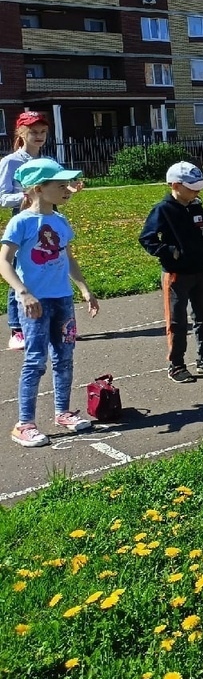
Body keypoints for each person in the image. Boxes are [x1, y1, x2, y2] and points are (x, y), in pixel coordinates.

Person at [1, 159, 98, 447]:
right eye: (60, 185)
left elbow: (67, 258)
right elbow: (4, 263)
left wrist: (84, 289)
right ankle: (24, 424)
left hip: (62, 300)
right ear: (38, 189)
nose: (67, 189)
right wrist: (23, 292)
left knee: (64, 358)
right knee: (35, 360)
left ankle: (62, 412)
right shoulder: (21, 222)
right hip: (35, 303)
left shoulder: (60, 221)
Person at [138, 161, 203, 381]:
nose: (197, 190)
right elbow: (147, 238)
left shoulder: (196, 206)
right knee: (177, 321)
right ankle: (176, 364)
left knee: (202, 318)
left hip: (201, 271)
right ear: (175, 185)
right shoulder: (163, 209)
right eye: (192, 187)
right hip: (177, 274)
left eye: (198, 187)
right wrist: (170, 251)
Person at [0, 111, 50, 350]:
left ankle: (48, 319)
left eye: (42, 132)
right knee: (20, 270)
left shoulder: (47, 161)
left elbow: (54, 193)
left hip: (48, 221)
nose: (39, 136)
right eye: (33, 132)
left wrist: (68, 189)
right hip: (22, 221)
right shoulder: (10, 162)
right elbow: (2, 197)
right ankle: (17, 328)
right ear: (21, 133)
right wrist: (24, 196)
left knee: (47, 266)